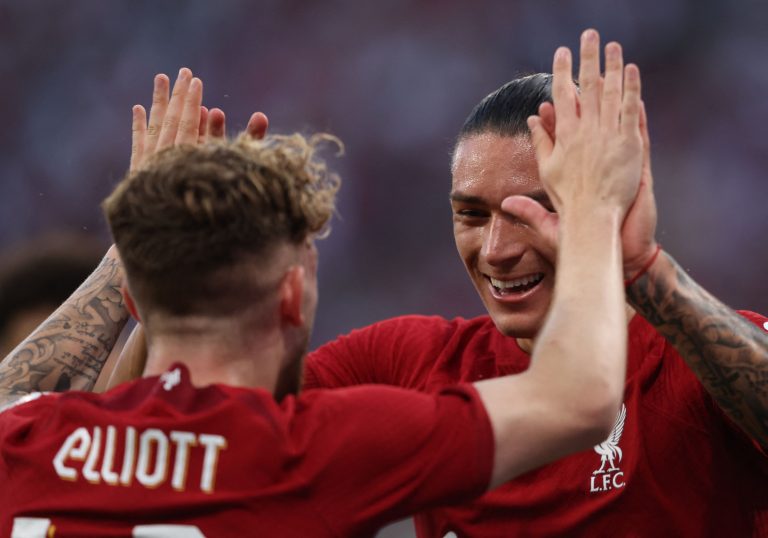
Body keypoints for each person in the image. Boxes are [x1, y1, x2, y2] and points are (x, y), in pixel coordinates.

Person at [0, 34, 643, 536]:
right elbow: (582, 399)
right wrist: (590, 207)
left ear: (135, 296)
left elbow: (15, 391)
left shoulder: (31, 439)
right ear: (291, 295)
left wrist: (144, 232)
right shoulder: (312, 451)